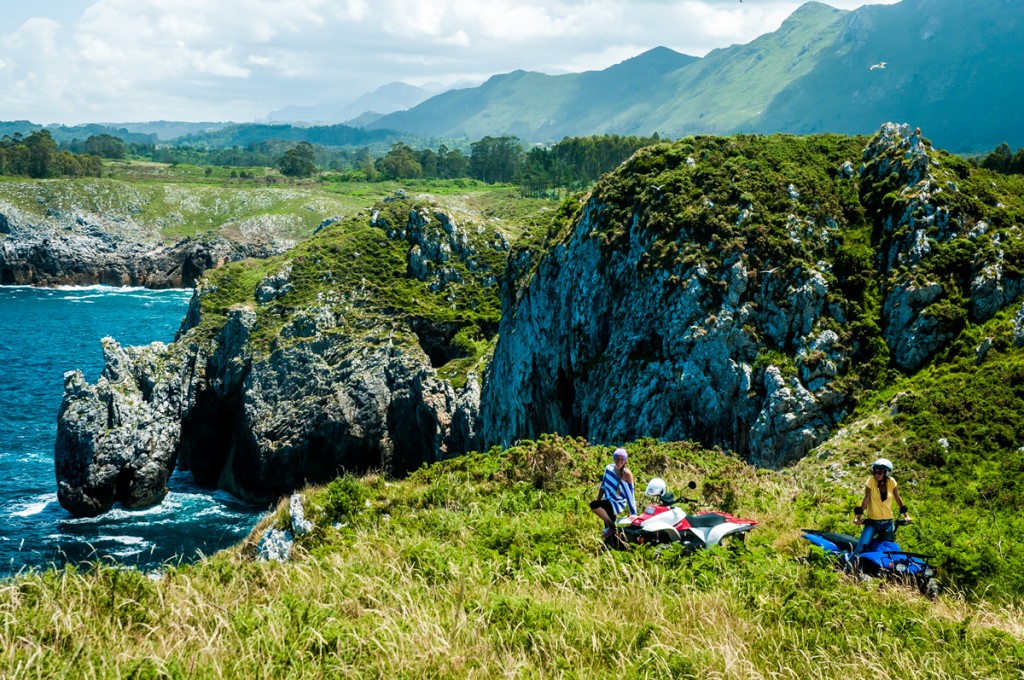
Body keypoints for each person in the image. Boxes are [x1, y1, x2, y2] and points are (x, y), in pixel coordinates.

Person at [852, 457, 911, 554]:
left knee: (888, 549)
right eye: (875, 472)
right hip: (872, 523)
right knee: (862, 546)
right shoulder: (871, 481)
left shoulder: (891, 481)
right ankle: (849, 567)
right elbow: (866, 499)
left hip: (887, 523)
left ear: (887, 473)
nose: (877, 475)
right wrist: (858, 517)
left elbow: (897, 498)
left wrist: (906, 515)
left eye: (880, 472)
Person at [589, 448, 637, 538]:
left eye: (622, 459)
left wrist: (633, 512)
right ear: (614, 458)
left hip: (617, 504)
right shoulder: (609, 468)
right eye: (617, 458)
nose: (619, 461)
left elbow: (630, 494)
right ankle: (614, 539)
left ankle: (612, 527)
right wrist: (599, 500)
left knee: (593, 505)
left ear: (625, 461)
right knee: (608, 534)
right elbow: (603, 486)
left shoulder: (627, 474)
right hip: (607, 500)